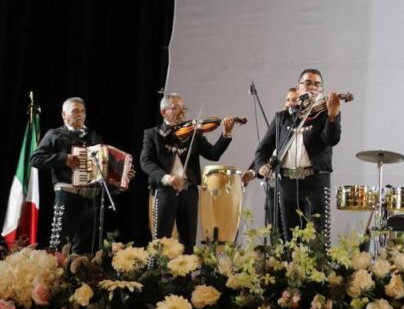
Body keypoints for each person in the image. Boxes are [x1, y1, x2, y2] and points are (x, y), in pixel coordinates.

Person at [250, 69, 342, 242]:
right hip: (286, 183)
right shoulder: (283, 118)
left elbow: (331, 139)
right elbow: (263, 149)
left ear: (321, 90)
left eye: (317, 84)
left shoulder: (324, 114)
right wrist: (261, 165)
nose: (312, 87)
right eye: (307, 83)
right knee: (289, 239)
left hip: (315, 182)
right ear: (299, 88)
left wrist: (332, 115)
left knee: (317, 239)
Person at [140, 93, 236, 250]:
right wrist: (166, 177)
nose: (182, 112)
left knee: (188, 242)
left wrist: (226, 134)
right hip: (164, 191)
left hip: (189, 192)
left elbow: (213, 154)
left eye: (183, 108)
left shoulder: (193, 133)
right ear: (164, 112)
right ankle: (158, 273)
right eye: (176, 108)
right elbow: (146, 161)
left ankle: (185, 274)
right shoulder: (153, 134)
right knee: (161, 241)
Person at [31, 97, 104, 252]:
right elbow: (35, 159)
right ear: (64, 115)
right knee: (60, 247)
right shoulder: (55, 134)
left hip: (91, 199)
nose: (80, 114)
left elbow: (101, 168)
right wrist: (64, 159)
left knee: (85, 250)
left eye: (83, 111)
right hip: (67, 195)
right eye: (75, 111)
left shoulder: (93, 137)